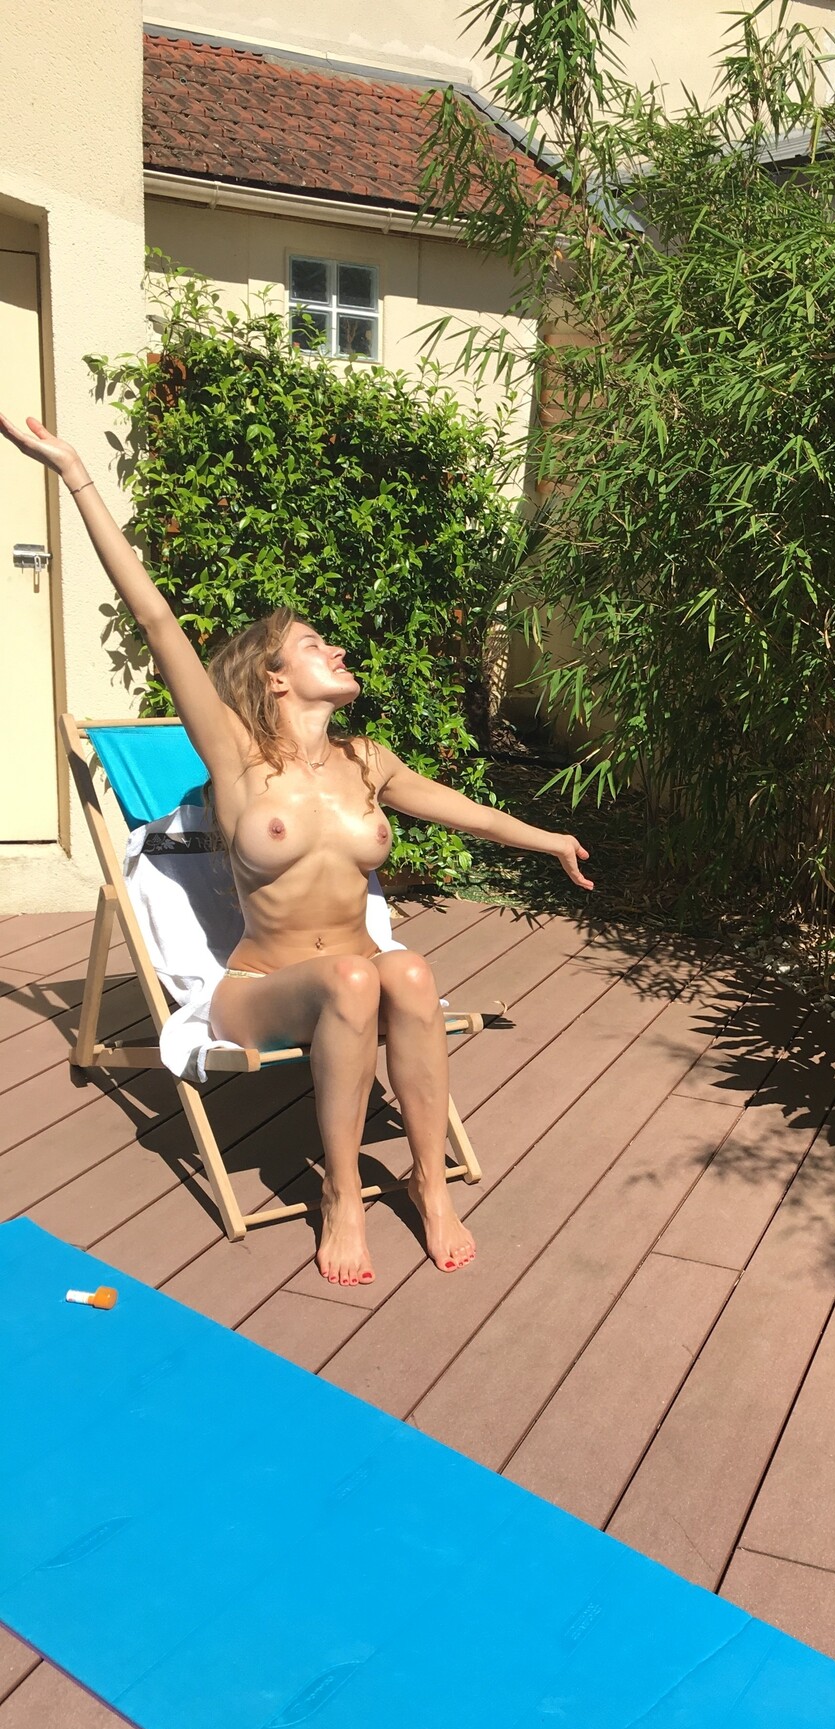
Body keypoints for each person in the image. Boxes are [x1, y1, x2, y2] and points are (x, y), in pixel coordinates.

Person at [0, 410, 592, 1287]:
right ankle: (343, 1193)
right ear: (274, 678)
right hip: (259, 991)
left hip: (357, 972)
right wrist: (74, 472)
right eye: (316, 645)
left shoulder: (367, 760)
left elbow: (466, 812)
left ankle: (431, 1186)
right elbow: (155, 617)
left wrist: (553, 840)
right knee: (357, 976)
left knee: (407, 971)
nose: (338, 648)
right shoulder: (235, 756)